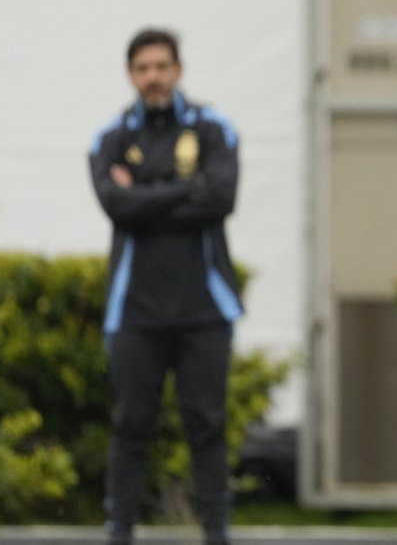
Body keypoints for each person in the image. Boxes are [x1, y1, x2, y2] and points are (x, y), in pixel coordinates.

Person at [89, 28, 242, 545]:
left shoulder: (213, 127)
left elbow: (221, 198)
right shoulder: (110, 138)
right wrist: (184, 189)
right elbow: (115, 205)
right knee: (132, 426)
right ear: (131, 75)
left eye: (161, 66)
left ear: (178, 70)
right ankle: (120, 532)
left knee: (207, 426)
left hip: (205, 308)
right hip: (134, 311)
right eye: (142, 68)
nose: (152, 76)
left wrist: (147, 197)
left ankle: (217, 533)